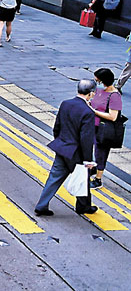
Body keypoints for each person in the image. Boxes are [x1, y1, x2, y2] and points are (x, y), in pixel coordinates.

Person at [34, 80, 98, 216]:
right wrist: (88, 160)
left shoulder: (65, 104)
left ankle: (41, 205)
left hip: (62, 148)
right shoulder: (88, 112)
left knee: (54, 178)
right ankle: (83, 207)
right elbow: (86, 139)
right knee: (82, 176)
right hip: (76, 152)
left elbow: (57, 127)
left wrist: (60, 142)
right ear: (91, 93)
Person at [90, 68, 122, 189]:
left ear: (103, 80)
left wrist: (94, 111)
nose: (96, 82)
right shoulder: (99, 90)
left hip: (104, 129)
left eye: (97, 80)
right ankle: (93, 168)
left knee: (101, 152)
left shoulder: (115, 96)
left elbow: (113, 117)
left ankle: (98, 179)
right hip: (93, 126)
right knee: (94, 150)